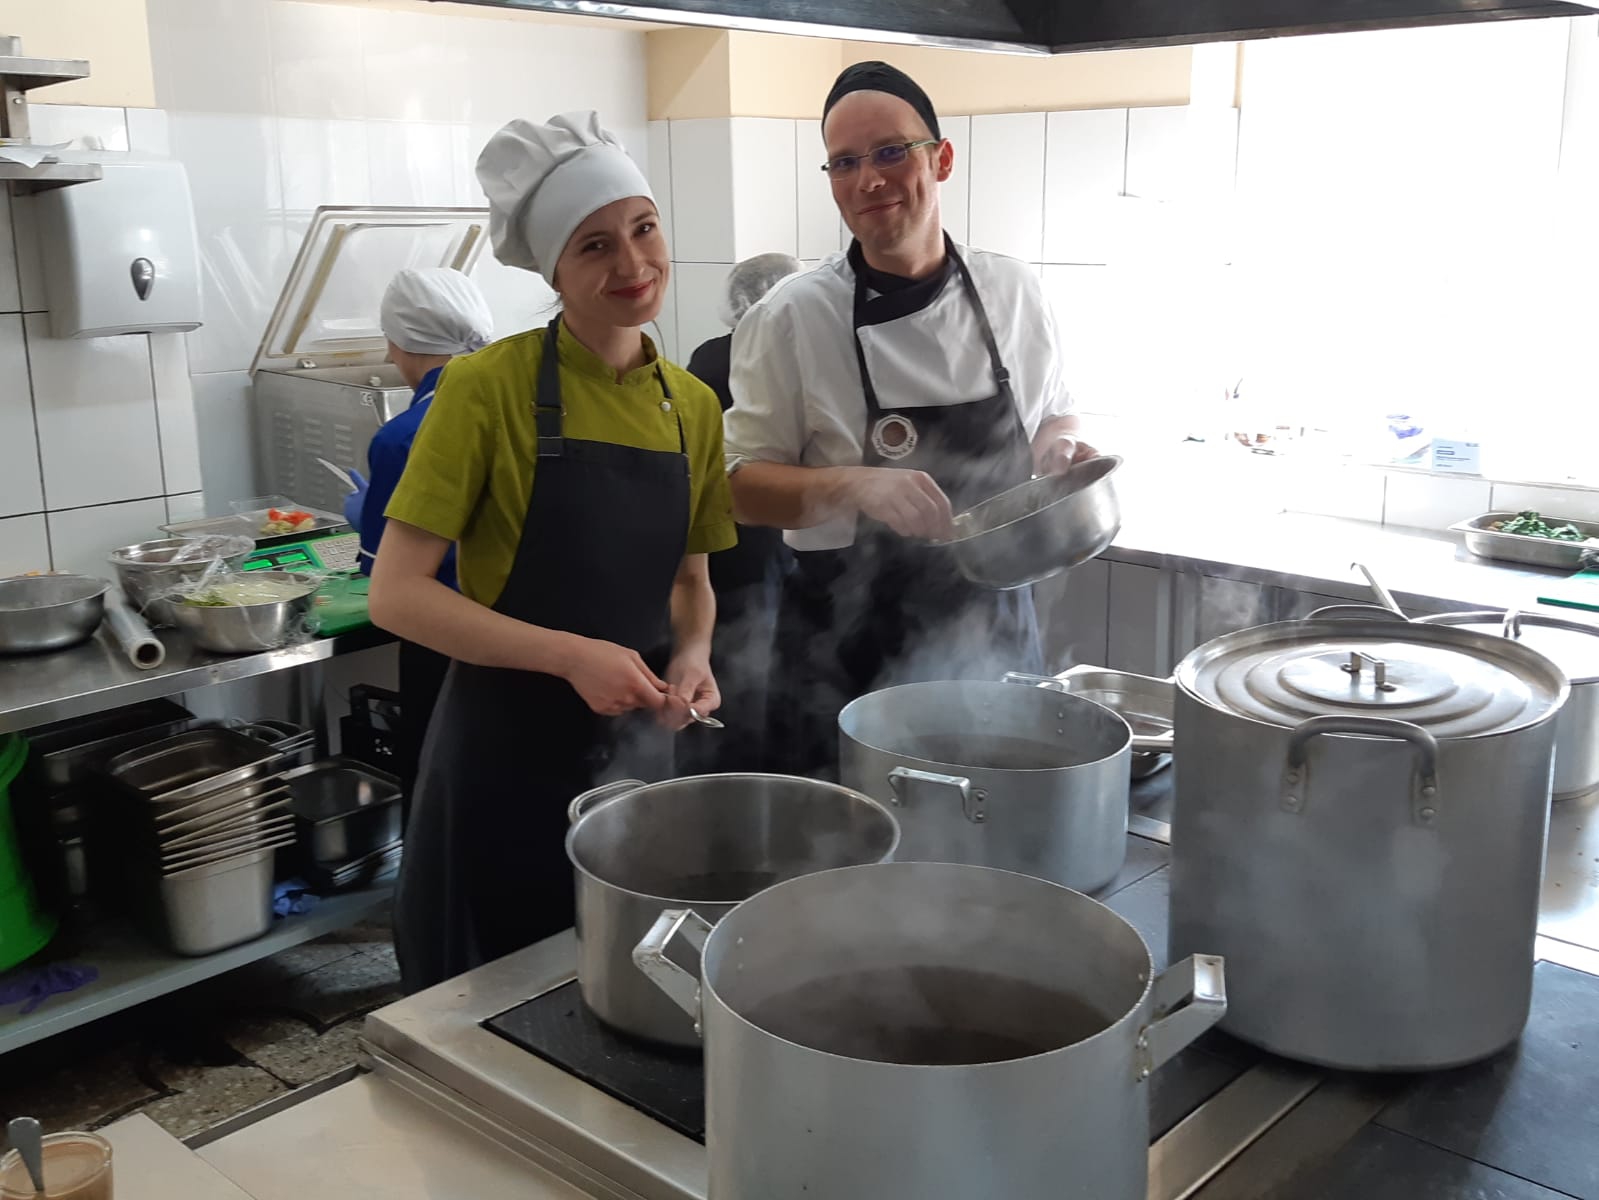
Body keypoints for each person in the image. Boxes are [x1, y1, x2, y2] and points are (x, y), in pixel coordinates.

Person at [368, 111, 736, 994]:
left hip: (633, 755)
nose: (633, 265)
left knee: (622, 989)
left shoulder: (692, 405)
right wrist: (571, 656)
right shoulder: (482, 388)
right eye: (595, 246)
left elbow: (693, 580)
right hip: (503, 755)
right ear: (554, 270)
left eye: (643, 229)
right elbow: (396, 595)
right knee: (495, 1005)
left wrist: (691, 654)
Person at [724, 62, 1096, 779]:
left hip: (992, 635)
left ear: (941, 158)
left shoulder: (1012, 290)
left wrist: (1061, 444)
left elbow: (1053, 411)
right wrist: (855, 487)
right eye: (845, 163)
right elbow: (737, 484)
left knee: (993, 847)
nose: (869, 180)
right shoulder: (794, 317)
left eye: (891, 151)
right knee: (849, 866)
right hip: (841, 652)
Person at [344, 267, 493, 821]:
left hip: (445, 637)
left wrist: (367, 524)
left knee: (438, 790)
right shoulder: (518, 405)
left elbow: (382, 581)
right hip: (527, 633)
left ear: (399, 343)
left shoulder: (403, 436)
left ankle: (431, 906)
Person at [680, 253, 801, 774]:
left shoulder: (706, 357)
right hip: (771, 548)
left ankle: (726, 776)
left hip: (711, 552)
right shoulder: (796, 357)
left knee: (728, 674)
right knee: (766, 676)